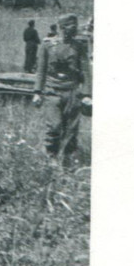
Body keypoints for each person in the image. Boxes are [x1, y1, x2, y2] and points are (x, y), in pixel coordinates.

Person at [33, 13, 92, 163]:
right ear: (61, 27)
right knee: (54, 126)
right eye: (69, 27)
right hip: (52, 92)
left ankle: (67, 160)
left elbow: (85, 70)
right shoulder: (47, 45)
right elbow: (41, 70)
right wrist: (37, 92)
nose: (73, 30)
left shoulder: (79, 46)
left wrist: (87, 94)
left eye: (74, 27)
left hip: (72, 92)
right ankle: (51, 157)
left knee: (71, 129)